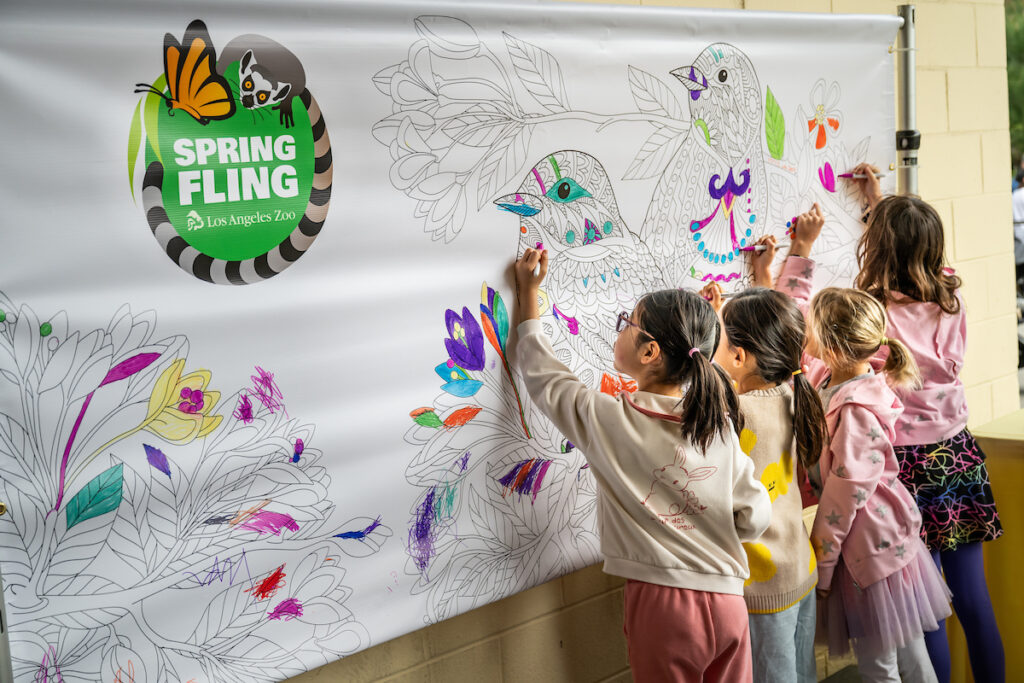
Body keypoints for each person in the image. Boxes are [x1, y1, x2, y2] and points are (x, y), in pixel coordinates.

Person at [513, 246, 771, 682]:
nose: (619, 330)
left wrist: (528, 295)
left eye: (625, 323)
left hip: (664, 607)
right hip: (728, 600)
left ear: (650, 352)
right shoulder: (716, 424)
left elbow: (544, 376)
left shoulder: (609, 419)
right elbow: (754, 517)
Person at [771, 204, 951, 682]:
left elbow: (845, 494)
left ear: (829, 345)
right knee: (910, 659)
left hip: (868, 553)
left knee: (882, 667)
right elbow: (791, 334)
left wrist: (822, 562)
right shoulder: (844, 379)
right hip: (880, 546)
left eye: (810, 329)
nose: (802, 331)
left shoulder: (853, 407)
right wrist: (769, 271)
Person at [848, 165, 1005, 683]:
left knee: (927, 608)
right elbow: (914, 242)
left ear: (878, 250)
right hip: (957, 456)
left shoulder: (874, 312)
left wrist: (874, 209)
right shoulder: (949, 294)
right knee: (973, 601)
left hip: (907, 468)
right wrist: (877, 204)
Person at [700, 229, 827, 683]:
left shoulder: (742, 411)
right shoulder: (795, 390)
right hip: (798, 567)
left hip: (763, 582)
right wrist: (753, 286)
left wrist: (711, 331)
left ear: (738, 354)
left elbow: (710, 391)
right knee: (800, 672)